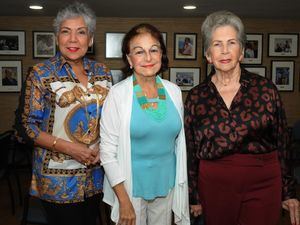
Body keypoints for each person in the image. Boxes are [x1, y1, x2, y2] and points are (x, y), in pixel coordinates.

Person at [184, 10, 299, 225]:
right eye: (217, 44)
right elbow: (190, 151)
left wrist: (289, 191)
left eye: (232, 43)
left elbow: (283, 142)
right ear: (208, 55)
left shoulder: (265, 89)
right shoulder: (196, 97)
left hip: (263, 183)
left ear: (242, 51)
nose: (225, 50)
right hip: (214, 186)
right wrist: (193, 195)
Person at [14, 2, 112, 225]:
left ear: (91, 39)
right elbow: (27, 126)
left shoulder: (103, 73)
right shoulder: (40, 74)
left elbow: (109, 121)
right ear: (57, 38)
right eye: (65, 32)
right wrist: (70, 148)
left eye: (81, 32)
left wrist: (102, 147)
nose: (73, 39)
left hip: (95, 175)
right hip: (57, 179)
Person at [100, 23, 190, 225]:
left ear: (161, 54)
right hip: (130, 188)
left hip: (167, 184)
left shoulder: (174, 92)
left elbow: (179, 144)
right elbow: (107, 152)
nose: (148, 58)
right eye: (139, 52)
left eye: (153, 50)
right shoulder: (117, 95)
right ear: (129, 59)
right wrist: (123, 201)